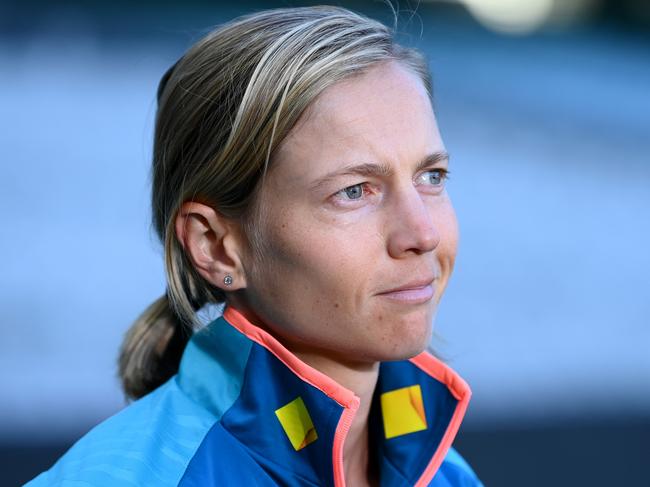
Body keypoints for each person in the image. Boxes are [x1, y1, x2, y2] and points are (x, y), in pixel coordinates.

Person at [27, 5, 483, 486]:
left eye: (431, 176)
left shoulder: (446, 473)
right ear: (216, 246)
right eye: (354, 191)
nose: (423, 234)